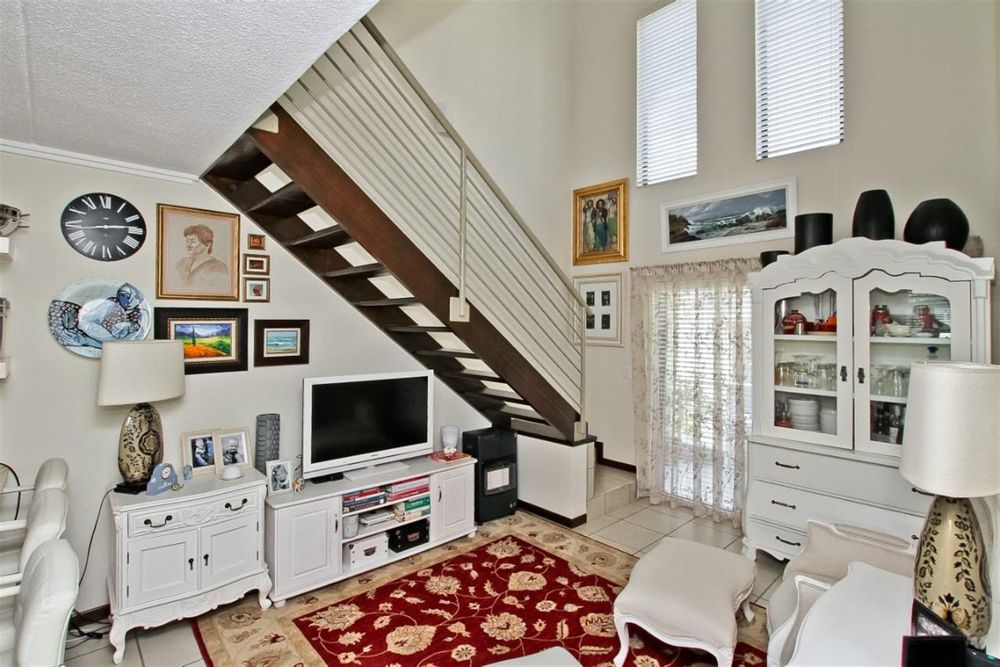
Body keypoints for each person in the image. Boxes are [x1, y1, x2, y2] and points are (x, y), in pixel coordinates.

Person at [175, 224, 229, 292]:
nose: (188, 245)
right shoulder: (182, 262)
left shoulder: (219, 267)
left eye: (193, 241)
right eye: (187, 241)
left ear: (208, 244)